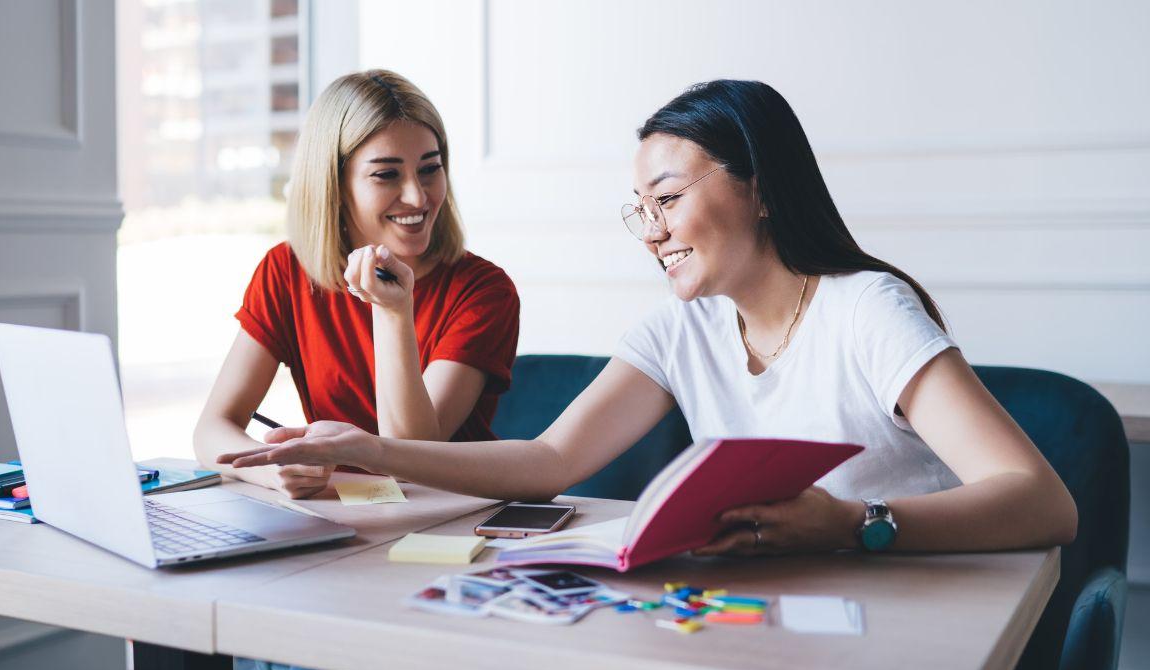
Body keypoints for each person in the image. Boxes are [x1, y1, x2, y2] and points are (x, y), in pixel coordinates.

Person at [221, 78, 1078, 561]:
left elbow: (1045, 505)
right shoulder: (679, 330)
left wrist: (859, 523)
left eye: (667, 199)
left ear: (762, 190)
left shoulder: (867, 311)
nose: (653, 230)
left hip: (914, 613)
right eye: (640, 208)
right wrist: (363, 449)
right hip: (782, 609)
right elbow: (547, 460)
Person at [191, 69, 520, 670]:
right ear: (334, 183)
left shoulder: (483, 291)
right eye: (386, 173)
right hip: (345, 551)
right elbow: (212, 431)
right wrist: (279, 473)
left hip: (450, 552)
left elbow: (412, 450)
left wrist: (391, 313)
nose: (416, 195)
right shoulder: (286, 273)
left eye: (430, 169)